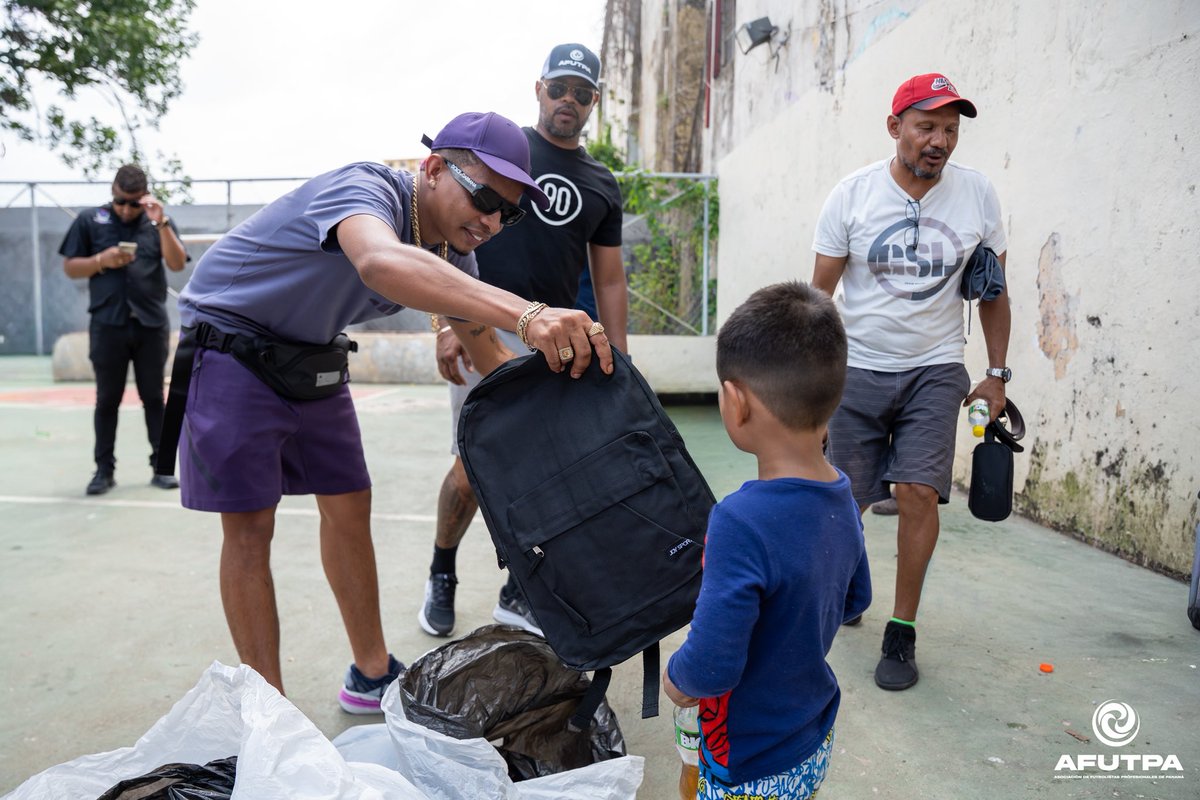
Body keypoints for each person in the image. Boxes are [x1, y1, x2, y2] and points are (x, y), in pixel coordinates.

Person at [169, 110, 614, 712]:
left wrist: (564, 424)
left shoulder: (455, 254)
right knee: (250, 525)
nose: (489, 222)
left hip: (311, 354)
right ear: (433, 169)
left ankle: (371, 674)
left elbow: (485, 350)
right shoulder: (366, 188)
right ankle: (267, 711)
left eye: (506, 213)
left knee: (351, 502)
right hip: (230, 341)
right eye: (483, 197)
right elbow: (381, 263)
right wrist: (531, 313)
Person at [419, 43, 628, 639]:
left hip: (553, 349)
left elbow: (608, 278)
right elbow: (442, 237)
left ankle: (521, 590)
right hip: (476, 333)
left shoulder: (600, 181)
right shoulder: (503, 154)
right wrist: (445, 323)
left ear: (593, 102)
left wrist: (621, 356)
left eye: (582, 92)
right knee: (471, 471)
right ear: (539, 89)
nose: (569, 100)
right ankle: (442, 569)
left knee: (548, 474)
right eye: (559, 87)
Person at [812, 73, 1012, 691]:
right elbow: (817, 298)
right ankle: (850, 586)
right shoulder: (851, 198)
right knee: (848, 498)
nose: (940, 141)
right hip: (860, 366)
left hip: (936, 367)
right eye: (927, 126)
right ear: (895, 127)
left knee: (918, 491)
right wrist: (809, 385)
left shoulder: (977, 195)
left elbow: (995, 295)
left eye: (950, 129)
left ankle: (901, 629)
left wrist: (996, 375)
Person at [663, 281, 872, 800]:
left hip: (747, 756)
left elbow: (711, 666)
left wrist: (676, 681)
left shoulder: (738, 520)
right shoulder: (843, 494)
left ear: (735, 403)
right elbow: (855, 599)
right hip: (809, 734)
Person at [59, 164, 189, 495]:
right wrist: (101, 260)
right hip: (108, 324)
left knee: (154, 397)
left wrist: (160, 222)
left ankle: (161, 467)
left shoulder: (157, 221)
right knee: (107, 400)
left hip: (149, 324)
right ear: (113, 193)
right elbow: (71, 267)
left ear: (144, 198)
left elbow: (176, 263)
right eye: (120, 201)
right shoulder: (91, 220)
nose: (126, 209)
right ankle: (104, 470)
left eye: (133, 203)